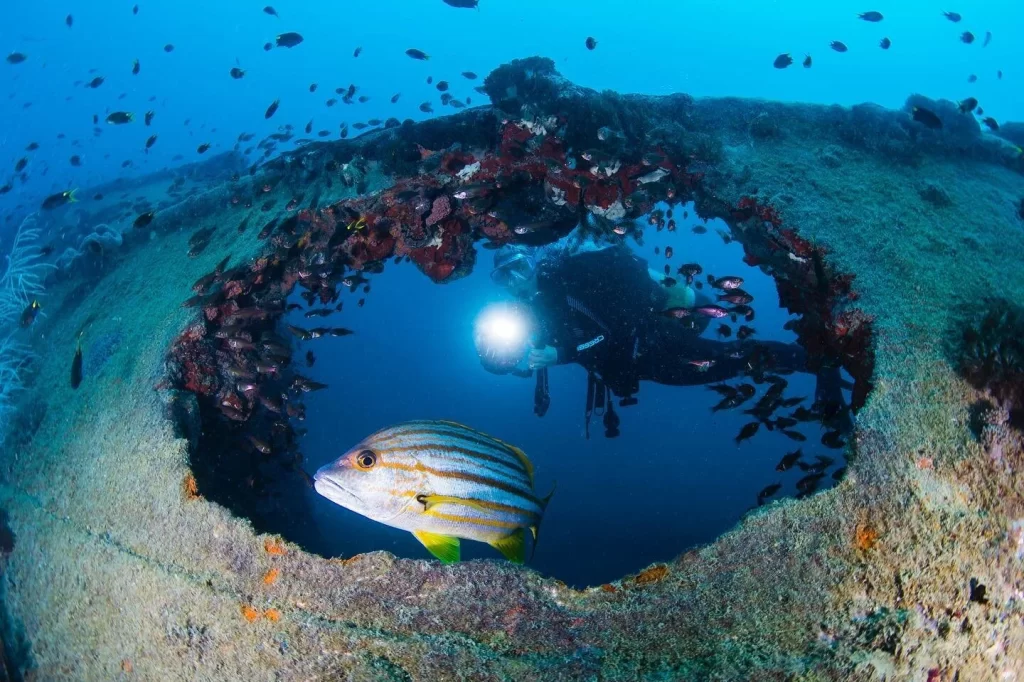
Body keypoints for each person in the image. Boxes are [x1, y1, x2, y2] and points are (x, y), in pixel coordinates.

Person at [484, 240, 850, 436]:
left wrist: (561, 355)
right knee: (733, 367)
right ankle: (814, 362)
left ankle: (821, 361)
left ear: (532, 263)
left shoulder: (565, 285)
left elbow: (605, 335)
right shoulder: (533, 310)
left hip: (656, 337)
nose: (515, 280)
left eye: (519, 268)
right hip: (643, 364)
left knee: (734, 358)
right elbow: (513, 358)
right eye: (504, 277)